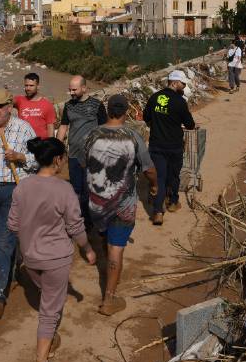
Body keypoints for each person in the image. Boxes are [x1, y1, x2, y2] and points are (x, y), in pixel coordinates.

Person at [8, 138, 96, 362]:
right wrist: (87, 248)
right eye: (64, 158)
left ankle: (48, 340)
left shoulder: (22, 187)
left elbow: (13, 225)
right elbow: (76, 227)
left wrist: (29, 237)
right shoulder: (64, 189)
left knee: (47, 295)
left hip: (30, 257)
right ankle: (41, 361)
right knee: (49, 311)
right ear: (57, 159)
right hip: (55, 258)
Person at [83, 94, 157, 314]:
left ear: (107, 111)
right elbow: (149, 169)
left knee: (106, 239)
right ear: (126, 112)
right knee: (116, 249)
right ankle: (109, 299)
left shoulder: (92, 135)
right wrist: (154, 186)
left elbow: (82, 162)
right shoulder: (133, 137)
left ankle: (108, 272)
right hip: (122, 205)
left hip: (96, 204)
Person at [0, 88, 38, 319]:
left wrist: (20, 157)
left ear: (10, 107)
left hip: (13, 190)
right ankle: (15, 263)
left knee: (3, 240)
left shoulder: (23, 128)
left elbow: (38, 158)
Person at [142, 71, 195, 225]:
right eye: (183, 83)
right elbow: (190, 124)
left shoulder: (154, 97)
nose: (184, 86)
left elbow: (146, 117)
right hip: (174, 146)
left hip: (156, 145)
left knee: (159, 177)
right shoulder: (180, 102)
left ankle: (158, 212)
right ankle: (172, 202)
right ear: (174, 83)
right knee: (173, 175)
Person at [56, 75, 107, 230]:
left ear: (84, 88)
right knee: (76, 188)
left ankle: (91, 219)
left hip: (93, 156)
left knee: (90, 188)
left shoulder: (97, 105)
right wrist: (57, 148)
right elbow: (63, 127)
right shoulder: (68, 106)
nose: (71, 92)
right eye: (69, 89)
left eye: (74, 89)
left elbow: (104, 128)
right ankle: (79, 218)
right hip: (73, 155)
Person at [14, 72, 56, 139]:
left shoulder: (47, 105)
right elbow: (5, 102)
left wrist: (51, 146)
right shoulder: (19, 100)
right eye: (26, 85)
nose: (28, 88)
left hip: (40, 145)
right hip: (22, 143)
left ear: (38, 86)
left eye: (31, 86)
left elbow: (50, 129)